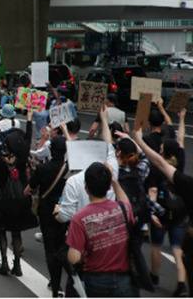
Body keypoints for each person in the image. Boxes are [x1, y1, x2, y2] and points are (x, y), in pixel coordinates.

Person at [133, 109, 193, 297]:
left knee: (157, 245)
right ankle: (181, 282)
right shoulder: (181, 164)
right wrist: (181, 118)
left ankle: (155, 276)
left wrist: (140, 140)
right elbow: (181, 138)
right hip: (181, 212)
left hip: (161, 211)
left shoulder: (160, 170)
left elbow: (157, 168)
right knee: (176, 247)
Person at [66, 162, 137, 297]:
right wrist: (115, 182)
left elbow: (74, 258)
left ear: (86, 188)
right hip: (124, 279)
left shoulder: (80, 218)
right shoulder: (123, 209)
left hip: (95, 280)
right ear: (109, 186)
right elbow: (126, 201)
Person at [0, 109, 36, 277]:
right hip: (20, 199)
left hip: (2, 200)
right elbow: (28, 138)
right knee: (16, 232)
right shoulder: (22, 158)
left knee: (1, 230)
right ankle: (18, 265)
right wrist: (29, 119)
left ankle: (4, 263)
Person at [26, 136, 68, 297]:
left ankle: (55, 284)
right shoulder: (69, 170)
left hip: (46, 210)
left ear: (50, 150)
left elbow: (31, 188)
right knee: (61, 243)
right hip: (64, 210)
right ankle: (65, 277)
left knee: (50, 247)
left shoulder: (43, 168)